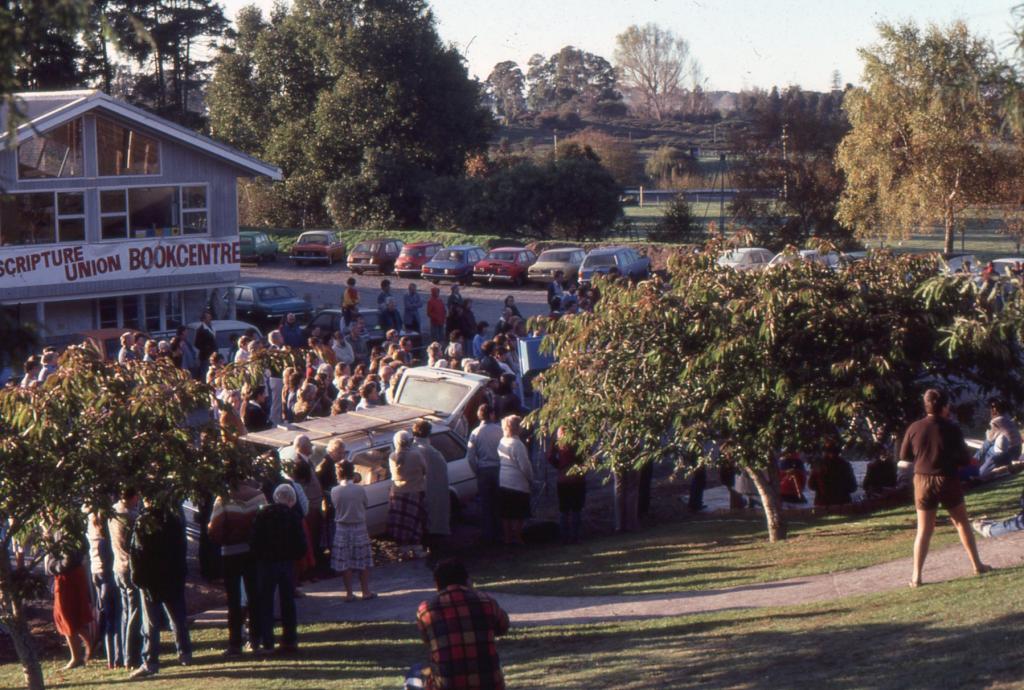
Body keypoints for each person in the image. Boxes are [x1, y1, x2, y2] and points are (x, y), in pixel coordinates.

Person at [901, 388, 991, 587]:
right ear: (944, 407)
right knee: (961, 522)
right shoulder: (952, 428)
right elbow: (964, 459)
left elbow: (905, 456)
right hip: (947, 478)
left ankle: (916, 576)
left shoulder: (914, 428)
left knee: (924, 529)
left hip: (922, 480)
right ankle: (977, 565)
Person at [415, 559, 510, 690]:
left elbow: (427, 640)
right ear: (467, 580)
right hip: (490, 685)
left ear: (437, 584)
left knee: (416, 672)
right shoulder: (487, 602)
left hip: (447, 686)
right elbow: (503, 627)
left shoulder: (425, 610)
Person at [129, 503, 192, 678]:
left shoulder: (144, 521)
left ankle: (151, 661)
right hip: (172, 574)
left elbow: (137, 552)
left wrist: (137, 578)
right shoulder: (174, 519)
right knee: (177, 617)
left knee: (151, 622)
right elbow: (182, 546)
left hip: (151, 578)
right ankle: (185, 653)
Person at [207, 477, 267, 656]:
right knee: (254, 596)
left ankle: (235, 643)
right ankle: (256, 639)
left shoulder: (223, 498)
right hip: (253, 551)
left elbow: (215, 528)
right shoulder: (259, 496)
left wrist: (224, 539)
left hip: (230, 552)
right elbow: (265, 521)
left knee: (233, 599)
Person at [251, 484, 308, 654]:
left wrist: (259, 555)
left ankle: (267, 642)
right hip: (286, 562)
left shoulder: (262, 514)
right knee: (288, 601)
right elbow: (301, 544)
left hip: (266, 562)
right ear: (291, 500)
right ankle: (290, 640)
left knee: (266, 602)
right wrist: (294, 555)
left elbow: (254, 540)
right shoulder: (293, 516)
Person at [45, 539, 95, 670]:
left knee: (66, 617)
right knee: (71, 617)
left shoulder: (67, 533)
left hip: (67, 577)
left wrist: (53, 566)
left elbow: (68, 559)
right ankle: (90, 647)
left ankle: (76, 657)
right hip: (69, 575)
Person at [330, 460, 375, 601]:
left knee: (345, 562)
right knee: (363, 561)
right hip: (359, 527)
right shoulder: (359, 489)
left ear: (338, 473)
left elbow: (335, 506)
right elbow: (365, 504)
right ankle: (365, 591)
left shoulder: (335, 491)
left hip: (342, 529)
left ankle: (349, 593)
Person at [108, 489, 142, 673]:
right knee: (134, 612)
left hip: (117, 567)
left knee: (125, 612)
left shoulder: (113, 511)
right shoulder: (131, 516)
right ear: (133, 497)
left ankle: (120, 655)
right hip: (129, 567)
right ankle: (131, 656)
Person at [87, 510, 123, 669]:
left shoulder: (93, 535)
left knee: (106, 616)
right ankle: (115, 657)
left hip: (96, 573)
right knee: (113, 619)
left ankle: (111, 657)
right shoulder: (106, 541)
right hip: (107, 577)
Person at [387, 430, 428, 558]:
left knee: (401, 524)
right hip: (414, 492)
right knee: (415, 521)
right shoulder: (416, 455)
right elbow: (425, 469)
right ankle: (417, 549)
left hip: (397, 493)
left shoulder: (392, 456)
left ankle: (403, 551)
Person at [466, 404, 503, 545]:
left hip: (483, 469)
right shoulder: (499, 430)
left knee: (486, 504)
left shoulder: (475, 433)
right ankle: (500, 532)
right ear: (492, 414)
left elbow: (470, 457)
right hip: (498, 468)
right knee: (499, 502)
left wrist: (477, 470)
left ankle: (488, 534)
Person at [413, 420, 450, 557]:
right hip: (432, 491)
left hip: (417, 492)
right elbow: (442, 473)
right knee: (433, 521)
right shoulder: (432, 452)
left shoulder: (411, 450)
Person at [498, 415, 532, 545]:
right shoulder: (518, 444)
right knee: (519, 513)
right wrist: (530, 479)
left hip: (503, 480)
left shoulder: (502, 441)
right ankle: (518, 538)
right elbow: (525, 466)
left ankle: (507, 538)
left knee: (506, 513)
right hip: (517, 482)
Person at [548, 427, 585, 544]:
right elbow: (585, 455)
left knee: (564, 509)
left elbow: (550, 457)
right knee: (576, 508)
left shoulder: (558, 439)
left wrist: (559, 466)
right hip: (577, 477)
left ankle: (564, 537)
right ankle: (575, 536)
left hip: (563, 478)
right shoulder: (579, 436)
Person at [974, 398, 1022, 479]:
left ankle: (978, 469)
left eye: (990, 408)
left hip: (1009, 453)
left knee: (986, 450)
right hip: (1018, 450)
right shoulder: (1007, 419)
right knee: (992, 446)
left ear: (993, 410)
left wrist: (975, 458)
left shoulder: (995, 422)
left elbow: (988, 442)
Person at [808, 437, 857, 507]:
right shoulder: (845, 465)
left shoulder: (818, 465)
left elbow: (811, 485)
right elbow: (853, 487)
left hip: (823, 504)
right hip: (842, 503)